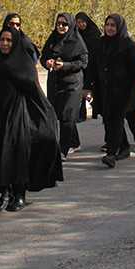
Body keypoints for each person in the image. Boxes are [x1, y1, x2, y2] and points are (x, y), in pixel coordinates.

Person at [0, 28, 63, 212]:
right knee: (1, 156)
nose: (4, 44)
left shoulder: (24, 65)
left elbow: (35, 93)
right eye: (2, 40)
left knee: (18, 155)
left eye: (9, 40)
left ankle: (19, 194)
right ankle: (5, 192)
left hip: (20, 120)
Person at [89, 14, 135, 168]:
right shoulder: (100, 44)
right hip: (104, 88)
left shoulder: (128, 45)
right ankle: (124, 147)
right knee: (108, 117)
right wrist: (87, 86)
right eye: (107, 25)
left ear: (119, 27)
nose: (109, 28)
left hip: (123, 89)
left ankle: (111, 153)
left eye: (113, 25)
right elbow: (92, 66)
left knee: (117, 119)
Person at [40, 13, 88, 161]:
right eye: (59, 23)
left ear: (70, 25)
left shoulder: (77, 41)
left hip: (72, 83)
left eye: (64, 24)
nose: (61, 27)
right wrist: (47, 63)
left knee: (67, 115)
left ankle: (63, 150)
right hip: (55, 82)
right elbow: (43, 57)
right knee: (56, 114)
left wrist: (65, 66)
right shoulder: (53, 39)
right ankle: (75, 142)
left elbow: (83, 62)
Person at [74, 11, 99, 125]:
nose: (81, 25)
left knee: (94, 89)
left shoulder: (95, 33)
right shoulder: (76, 35)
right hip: (82, 66)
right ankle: (81, 114)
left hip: (94, 65)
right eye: (78, 23)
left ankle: (96, 108)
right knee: (81, 90)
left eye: (82, 22)